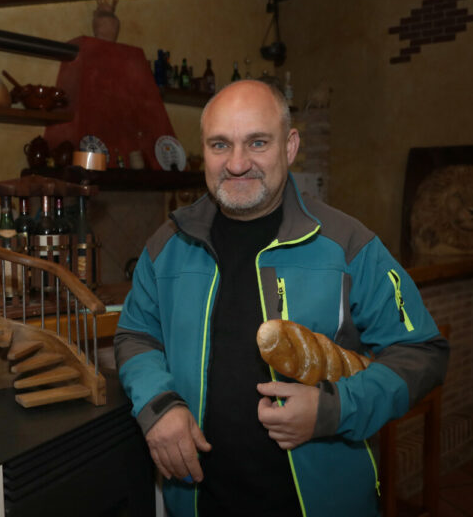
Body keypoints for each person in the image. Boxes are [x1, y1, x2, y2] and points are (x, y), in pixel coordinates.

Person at [114, 80, 449, 517]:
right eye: (220, 145)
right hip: (199, 501)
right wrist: (157, 407)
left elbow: (422, 353)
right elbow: (136, 334)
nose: (236, 163)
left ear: (290, 147)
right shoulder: (168, 244)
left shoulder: (348, 244)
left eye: (257, 142)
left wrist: (334, 409)